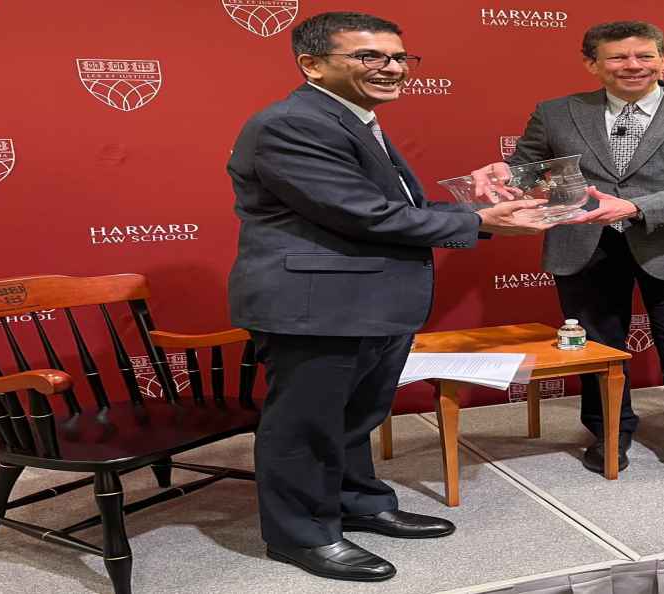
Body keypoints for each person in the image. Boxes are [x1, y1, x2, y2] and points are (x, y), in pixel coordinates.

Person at [227, 11, 558, 583]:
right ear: (311, 64)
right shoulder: (292, 123)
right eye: (368, 57)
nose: (390, 68)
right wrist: (482, 221)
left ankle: (357, 503)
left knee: (356, 416)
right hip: (316, 309)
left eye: (399, 57)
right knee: (305, 426)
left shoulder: (353, 120)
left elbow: (390, 208)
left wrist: (477, 214)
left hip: (370, 302)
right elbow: (361, 213)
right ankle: (302, 535)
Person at [472, 21, 664, 494]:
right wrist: (505, 172)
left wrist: (638, 207)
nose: (633, 66)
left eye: (645, 56)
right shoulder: (556, 112)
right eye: (618, 58)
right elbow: (527, 172)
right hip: (583, 247)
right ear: (593, 64)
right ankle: (608, 437)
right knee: (596, 354)